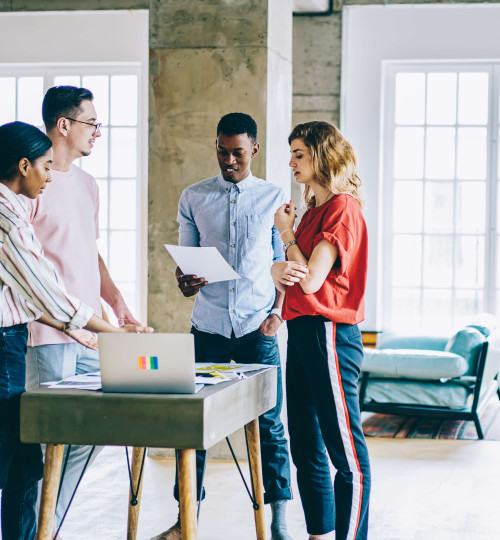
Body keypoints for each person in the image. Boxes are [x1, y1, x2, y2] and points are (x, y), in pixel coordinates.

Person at [0, 121, 151, 540]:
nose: (49, 175)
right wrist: (111, 332)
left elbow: (22, 294)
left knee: (23, 465)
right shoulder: (9, 220)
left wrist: (80, 331)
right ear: (23, 166)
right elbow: (50, 293)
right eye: (44, 166)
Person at [151, 113, 294, 540]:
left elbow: (284, 262)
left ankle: (279, 519)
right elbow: (185, 270)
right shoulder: (193, 197)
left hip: (257, 329)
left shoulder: (273, 197)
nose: (228, 159)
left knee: (270, 424)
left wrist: (277, 316)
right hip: (208, 329)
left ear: (253, 150)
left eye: (237, 152)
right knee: (191, 424)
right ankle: (185, 520)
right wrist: (185, 281)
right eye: (221, 150)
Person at [25, 85, 143, 529]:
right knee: (53, 441)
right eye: (93, 123)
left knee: (97, 428)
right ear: (64, 125)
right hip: (48, 335)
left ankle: (45, 526)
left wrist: (118, 304)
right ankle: (39, 529)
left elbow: (89, 252)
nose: (99, 132)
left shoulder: (89, 185)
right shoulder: (31, 183)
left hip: (92, 334)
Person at [271, 121, 371, 540]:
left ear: (322, 155)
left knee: (345, 453)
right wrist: (279, 266)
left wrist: (285, 235)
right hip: (301, 332)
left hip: (329, 334)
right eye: (291, 153)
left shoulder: (342, 207)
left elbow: (310, 281)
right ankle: (319, 534)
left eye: (300, 153)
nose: (292, 161)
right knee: (307, 448)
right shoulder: (313, 211)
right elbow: (292, 274)